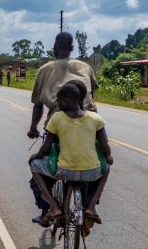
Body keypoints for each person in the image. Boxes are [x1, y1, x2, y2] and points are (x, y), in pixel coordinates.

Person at [26, 32, 100, 225]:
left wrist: (33, 128)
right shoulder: (85, 67)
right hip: (88, 125)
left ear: (55, 47)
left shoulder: (44, 70)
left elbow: (38, 105)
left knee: (43, 168)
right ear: (72, 47)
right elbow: (93, 92)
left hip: (56, 127)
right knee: (98, 163)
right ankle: (91, 206)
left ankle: (47, 210)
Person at [28, 82, 112, 223]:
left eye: (59, 101)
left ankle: (54, 207)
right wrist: (108, 157)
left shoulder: (57, 117)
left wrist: (36, 156)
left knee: (34, 165)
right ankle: (91, 206)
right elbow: (105, 146)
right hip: (92, 172)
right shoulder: (95, 118)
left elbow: (46, 147)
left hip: (64, 170)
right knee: (107, 168)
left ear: (65, 100)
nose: (58, 104)